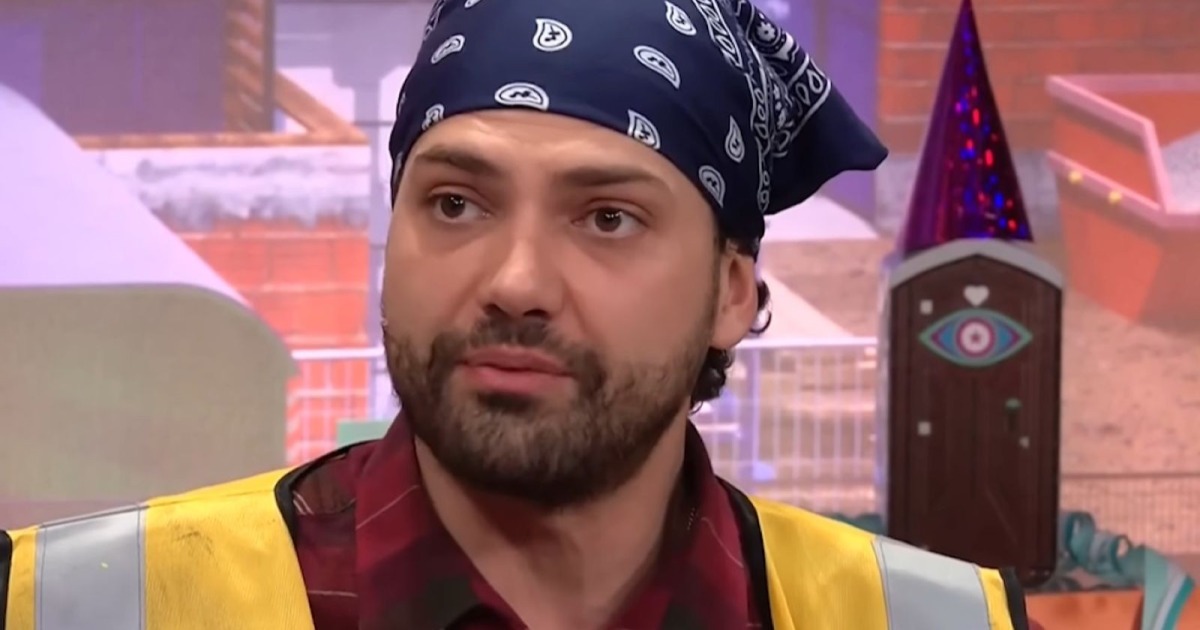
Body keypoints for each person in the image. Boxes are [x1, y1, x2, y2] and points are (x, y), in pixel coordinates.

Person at [1, 1, 1032, 628]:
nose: (515, 279)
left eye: (608, 218)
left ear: (732, 292)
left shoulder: (929, 620)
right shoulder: (85, 606)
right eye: (456, 204)